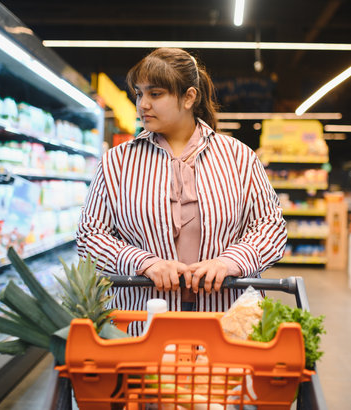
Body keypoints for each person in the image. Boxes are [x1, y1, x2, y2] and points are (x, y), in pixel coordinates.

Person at [76, 48, 287, 334]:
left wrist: (230, 262)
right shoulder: (118, 162)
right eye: (139, 94)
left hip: (227, 319)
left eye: (156, 94)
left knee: (216, 379)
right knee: (150, 381)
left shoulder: (238, 157)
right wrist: (143, 262)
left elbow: (270, 227)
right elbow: (91, 234)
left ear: (189, 97)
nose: (142, 105)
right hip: (142, 318)